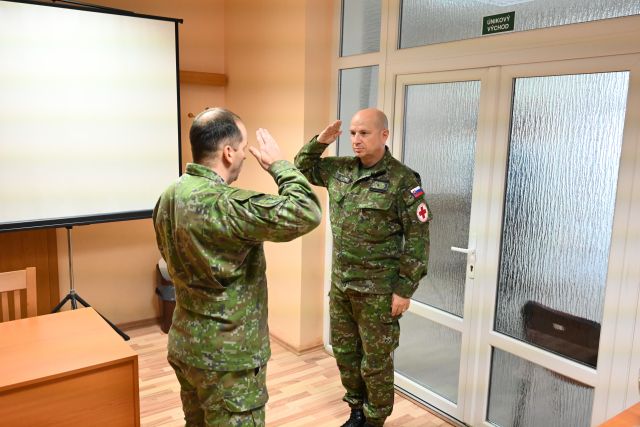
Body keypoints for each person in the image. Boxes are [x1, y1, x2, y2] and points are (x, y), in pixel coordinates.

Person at [153, 107, 322, 426]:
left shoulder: (169, 195)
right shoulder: (228, 204)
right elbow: (307, 211)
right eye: (243, 148)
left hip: (186, 346)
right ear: (228, 152)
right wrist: (279, 166)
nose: (246, 155)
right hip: (228, 361)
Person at [294, 108, 431, 427]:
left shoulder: (403, 181)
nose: (356, 139)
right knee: (345, 353)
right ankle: (356, 409)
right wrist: (320, 141)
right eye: (353, 133)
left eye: (364, 133)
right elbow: (302, 167)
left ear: (384, 135)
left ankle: (375, 419)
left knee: (376, 361)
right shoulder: (339, 169)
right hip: (342, 285)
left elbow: (418, 240)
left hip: (378, 292)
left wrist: (404, 289)